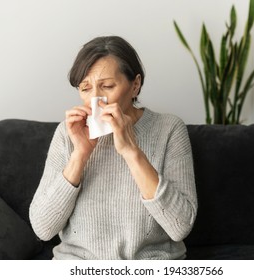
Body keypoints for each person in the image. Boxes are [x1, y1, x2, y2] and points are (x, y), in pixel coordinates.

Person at [29, 36, 197, 260]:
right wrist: (80, 154)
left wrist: (131, 151)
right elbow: (43, 228)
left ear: (135, 85)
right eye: (85, 88)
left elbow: (180, 226)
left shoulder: (169, 129)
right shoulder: (67, 134)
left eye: (107, 86)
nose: (94, 99)